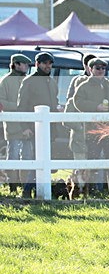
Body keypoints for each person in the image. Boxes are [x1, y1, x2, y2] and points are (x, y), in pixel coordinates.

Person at [73, 58, 109, 195]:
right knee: (93, 161)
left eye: (103, 68)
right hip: (93, 129)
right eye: (97, 68)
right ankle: (93, 190)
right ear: (90, 69)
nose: (101, 71)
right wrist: (95, 106)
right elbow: (77, 102)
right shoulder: (83, 86)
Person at [17, 52, 61, 198]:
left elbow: (53, 103)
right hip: (34, 127)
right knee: (38, 159)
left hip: (50, 128)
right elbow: (21, 106)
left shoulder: (51, 82)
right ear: (37, 64)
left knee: (45, 160)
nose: (48, 66)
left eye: (50, 63)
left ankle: (36, 190)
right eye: (45, 63)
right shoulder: (29, 81)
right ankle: (28, 190)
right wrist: (25, 127)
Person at [0, 54, 33, 194]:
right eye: (24, 64)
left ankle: (24, 187)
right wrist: (20, 106)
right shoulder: (5, 81)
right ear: (16, 64)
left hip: (27, 125)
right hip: (13, 126)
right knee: (12, 156)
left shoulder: (28, 80)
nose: (27, 67)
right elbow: (1, 103)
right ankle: (12, 187)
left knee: (27, 157)